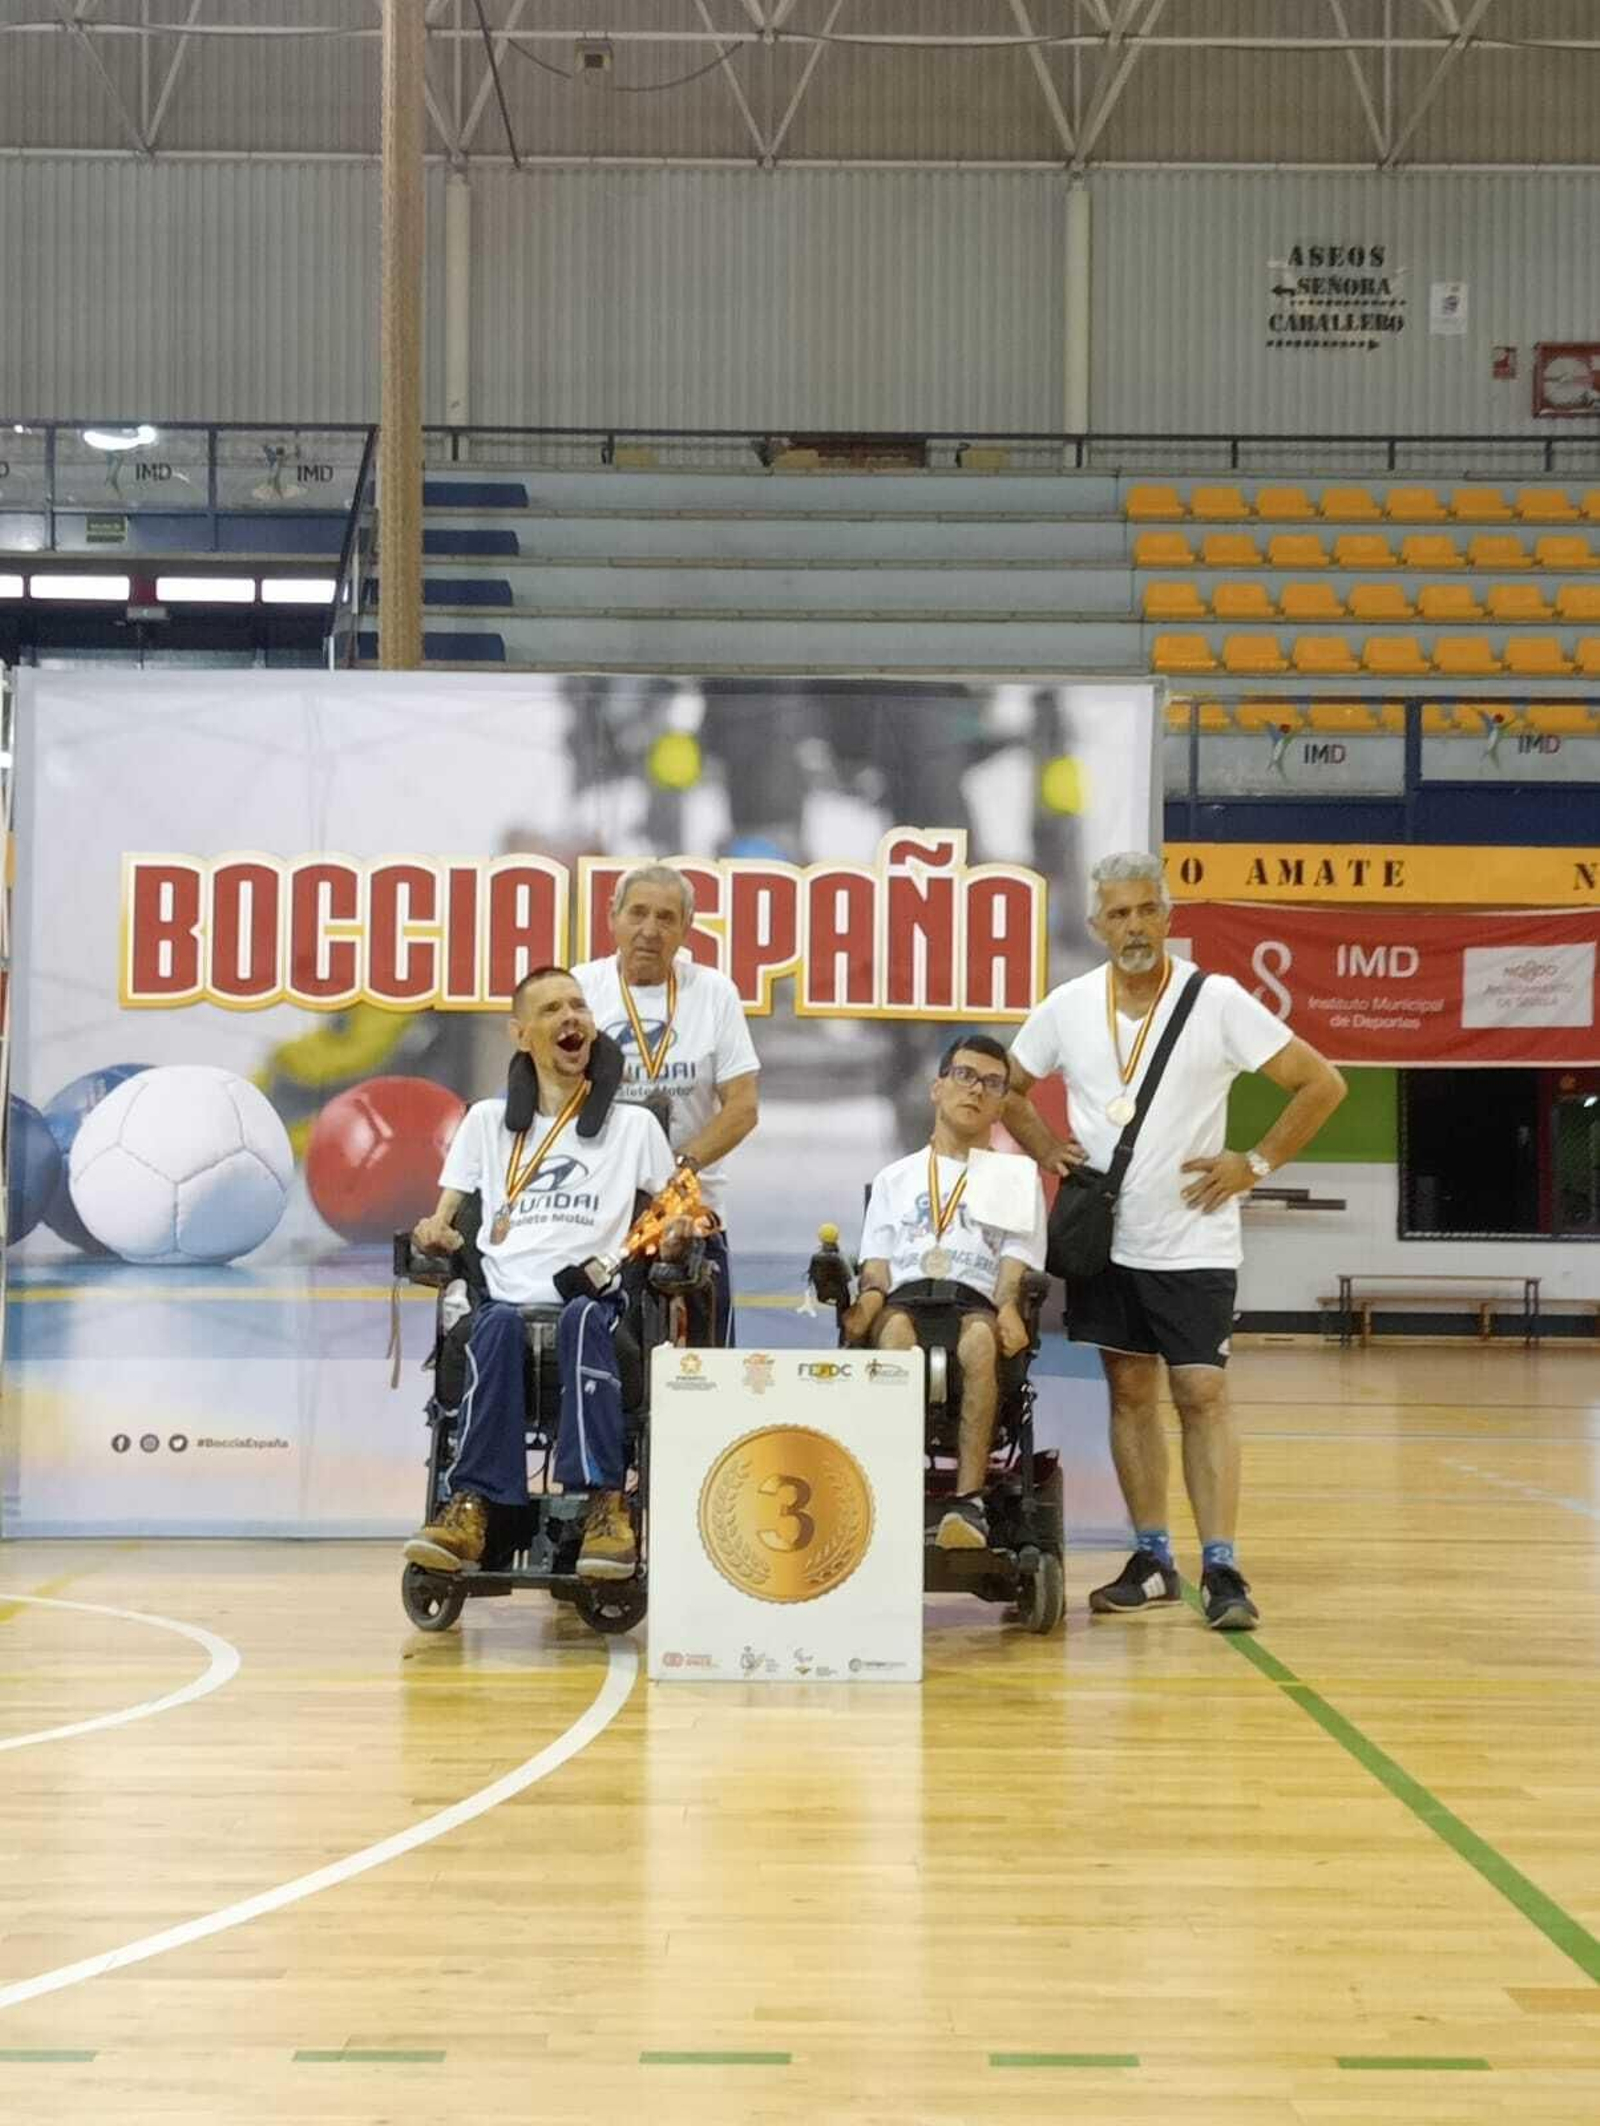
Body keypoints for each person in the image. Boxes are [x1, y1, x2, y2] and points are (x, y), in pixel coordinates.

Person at [1003, 851, 1346, 1630]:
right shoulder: (1066, 1005)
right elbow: (1013, 1088)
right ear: (1096, 927)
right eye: (1117, 914)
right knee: (1128, 1396)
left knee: (1201, 1393)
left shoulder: (1216, 1000)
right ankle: (1153, 1557)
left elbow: (1322, 1082)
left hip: (1194, 1241)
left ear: (1168, 916)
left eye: (1144, 910)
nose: (1132, 926)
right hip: (1108, 1242)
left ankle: (1221, 1564)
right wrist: (1047, 1147)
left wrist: (1252, 1163)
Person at [403, 965, 679, 1584]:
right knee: (492, 1323)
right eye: (552, 1009)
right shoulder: (485, 1123)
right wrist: (436, 1232)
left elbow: (678, 1212)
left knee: (583, 1320)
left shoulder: (635, 1127)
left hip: (594, 1304)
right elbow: (443, 1216)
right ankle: (471, 1507)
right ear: (521, 1033)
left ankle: (604, 1503)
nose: (570, 1018)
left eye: (578, 1006)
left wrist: (681, 1232)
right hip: (503, 1304)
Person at [844, 1035, 1048, 1552]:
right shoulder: (895, 1178)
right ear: (937, 1088)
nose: (976, 1091)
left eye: (992, 1083)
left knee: (980, 1342)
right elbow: (875, 1267)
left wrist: (1006, 1306)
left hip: (974, 1299)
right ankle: (890, 1491)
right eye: (964, 1076)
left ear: (1003, 1102)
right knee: (892, 1336)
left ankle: (968, 1503)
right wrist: (863, 1304)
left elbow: (1015, 1262)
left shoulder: (1016, 1176)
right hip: (906, 1297)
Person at [572, 863, 759, 1342]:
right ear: (612, 916)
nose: (649, 930)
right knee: (608, 1368)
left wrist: (675, 1170)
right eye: (637, 913)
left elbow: (742, 1107)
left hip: (691, 1216)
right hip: (597, 1212)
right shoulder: (579, 990)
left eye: (665, 917)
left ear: (685, 928)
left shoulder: (714, 992)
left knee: (706, 1376)